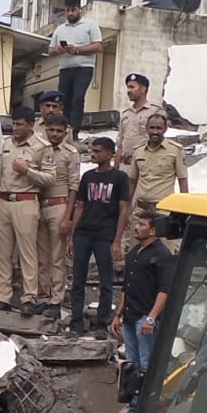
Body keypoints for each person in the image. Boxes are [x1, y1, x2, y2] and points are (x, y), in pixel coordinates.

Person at [112, 208, 173, 412]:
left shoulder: (162, 255)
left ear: (153, 231)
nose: (137, 227)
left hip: (145, 317)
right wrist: (118, 314)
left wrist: (151, 318)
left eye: (142, 225)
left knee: (147, 365)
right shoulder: (133, 254)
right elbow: (126, 287)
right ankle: (133, 407)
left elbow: (164, 290)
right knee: (131, 365)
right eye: (138, 224)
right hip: (129, 317)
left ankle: (145, 408)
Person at [66, 137, 129, 335]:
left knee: (105, 281)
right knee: (77, 279)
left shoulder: (120, 178)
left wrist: (117, 239)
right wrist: (72, 235)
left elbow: (123, 207)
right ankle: (76, 322)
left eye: (98, 151)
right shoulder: (87, 177)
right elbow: (81, 205)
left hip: (105, 234)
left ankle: (102, 323)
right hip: (84, 232)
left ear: (110, 153)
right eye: (92, 151)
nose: (94, 154)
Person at [0, 106, 44, 315]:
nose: (16, 128)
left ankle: (29, 296)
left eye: (20, 124)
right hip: (4, 200)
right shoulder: (5, 144)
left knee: (27, 252)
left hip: (26, 200)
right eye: (14, 124)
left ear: (31, 125)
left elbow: (49, 178)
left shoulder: (41, 147)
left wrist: (28, 171)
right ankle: (3, 296)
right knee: (2, 253)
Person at [31, 114, 77, 316]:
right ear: (45, 130)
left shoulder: (70, 153)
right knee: (40, 256)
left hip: (60, 205)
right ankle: (42, 296)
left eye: (59, 131)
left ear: (66, 133)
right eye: (51, 130)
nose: (55, 134)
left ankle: (56, 299)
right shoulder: (38, 149)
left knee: (57, 257)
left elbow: (74, 186)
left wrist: (68, 216)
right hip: (39, 205)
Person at [46, 0, 103, 140]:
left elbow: (98, 46)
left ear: (79, 9)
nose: (70, 13)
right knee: (64, 100)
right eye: (68, 11)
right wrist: (59, 50)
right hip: (65, 68)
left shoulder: (90, 25)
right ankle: (63, 131)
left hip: (84, 68)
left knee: (78, 98)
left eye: (73, 10)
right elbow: (50, 51)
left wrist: (77, 49)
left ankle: (74, 132)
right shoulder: (60, 29)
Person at [129, 112, 188, 224]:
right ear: (146, 128)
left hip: (164, 211)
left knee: (165, 242)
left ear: (165, 129)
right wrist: (126, 209)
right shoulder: (138, 151)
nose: (155, 132)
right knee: (135, 241)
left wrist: (183, 212)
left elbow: (183, 181)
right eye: (152, 128)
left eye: (159, 128)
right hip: (140, 211)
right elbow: (132, 181)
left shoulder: (175, 150)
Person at [118, 73, 164, 170]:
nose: (128, 91)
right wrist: (115, 170)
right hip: (125, 166)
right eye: (128, 87)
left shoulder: (155, 111)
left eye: (132, 87)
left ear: (143, 89)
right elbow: (120, 145)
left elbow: (159, 141)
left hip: (145, 166)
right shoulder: (125, 114)